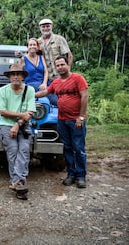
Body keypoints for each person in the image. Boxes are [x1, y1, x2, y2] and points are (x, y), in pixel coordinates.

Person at [35, 56, 88, 188]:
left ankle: (81, 176)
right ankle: (71, 174)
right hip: (62, 120)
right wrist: (30, 94)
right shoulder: (56, 82)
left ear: (67, 64)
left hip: (76, 120)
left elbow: (85, 96)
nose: (60, 67)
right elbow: (46, 92)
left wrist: (81, 117)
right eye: (57, 65)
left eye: (62, 64)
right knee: (67, 148)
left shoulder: (77, 78)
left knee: (79, 148)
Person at [0, 63, 36, 200]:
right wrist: (21, 115)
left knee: (24, 150)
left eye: (19, 74)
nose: (16, 77)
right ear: (9, 77)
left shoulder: (29, 90)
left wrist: (18, 124)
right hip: (6, 125)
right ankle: (20, 183)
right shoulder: (3, 91)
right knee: (13, 150)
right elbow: (2, 112)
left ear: (23, 76)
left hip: (23, 125)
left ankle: (17, 182)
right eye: (13, 74)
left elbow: (29, 113)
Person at [38, 18, 73, 106]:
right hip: (47, 78)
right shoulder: (38, 42)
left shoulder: (59, 39)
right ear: (40, 28)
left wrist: (68, 71)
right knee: (52, 100)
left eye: (47, 26)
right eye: (43, 26)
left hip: (60, 75)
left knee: (65, 98)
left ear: (51, 27)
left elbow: (69, 55)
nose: (46, 28)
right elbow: (32, 55)